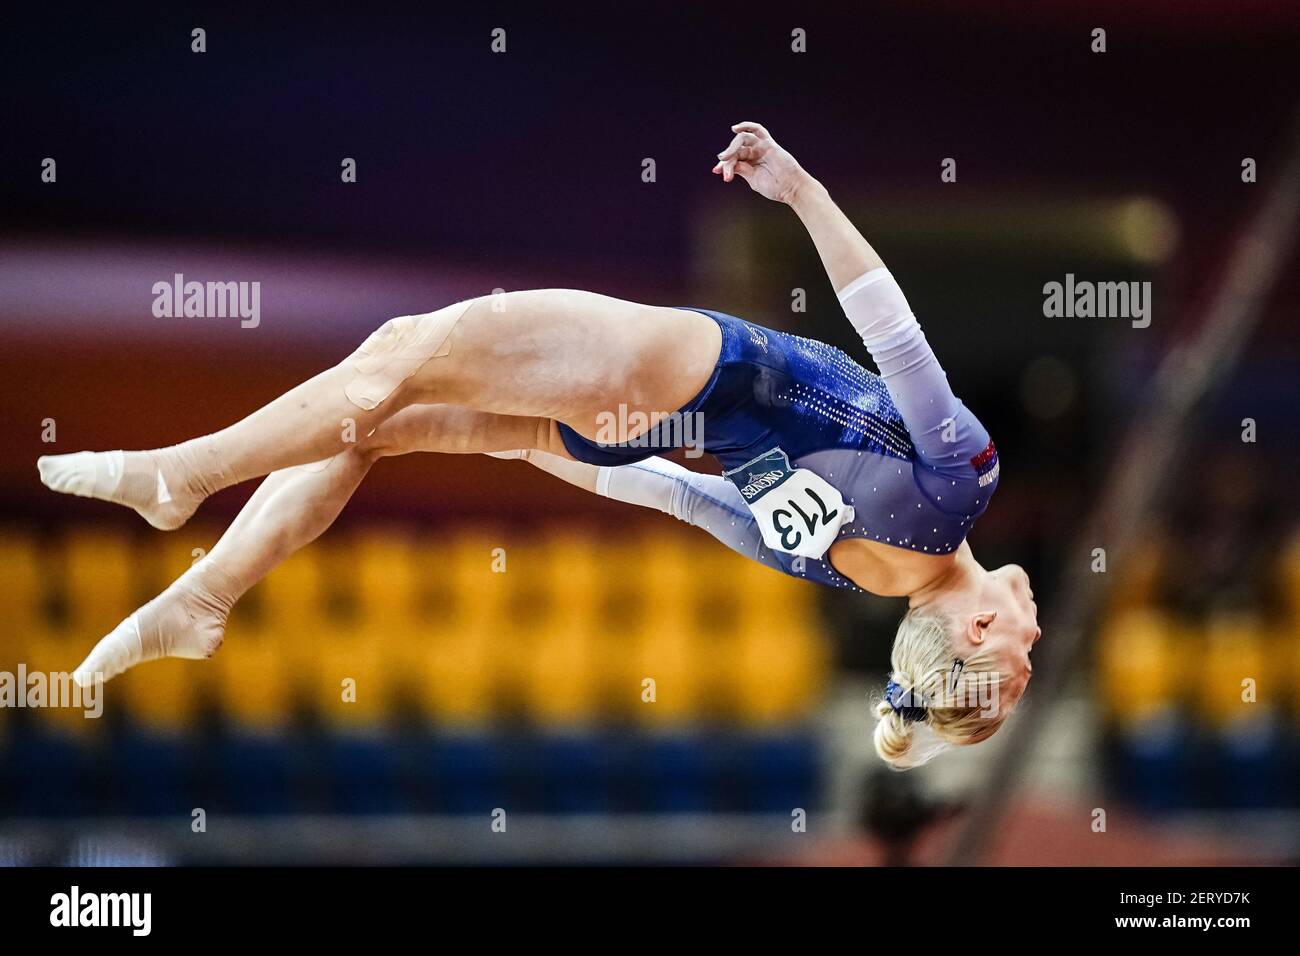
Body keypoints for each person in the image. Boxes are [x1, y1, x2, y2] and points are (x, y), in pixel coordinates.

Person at [39, 122, 1038, 768]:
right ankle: (207, 595)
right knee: (380, 417)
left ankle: (183, 475)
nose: (1037, 630)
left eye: (1025, 655)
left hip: (684, 367)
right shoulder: (849, 575)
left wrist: (801, 189)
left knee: (397, 354)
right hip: (637, 427)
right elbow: (680, 498)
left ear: (978, 633)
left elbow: (891, 334)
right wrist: (538, 449)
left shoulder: (962, 484)